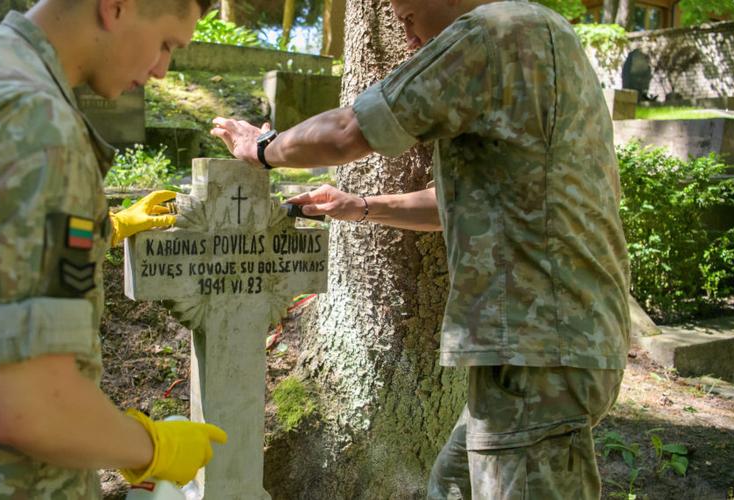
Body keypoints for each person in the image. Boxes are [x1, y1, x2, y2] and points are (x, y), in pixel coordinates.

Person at [210, 0, 630, 498]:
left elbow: (348, 132)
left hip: (536, 353)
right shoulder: (543, 32)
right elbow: (468, 204)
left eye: (407, 18)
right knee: (451, 486)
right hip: (554, 342)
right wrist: (360, 205)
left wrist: (263, 149)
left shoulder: (487, 33)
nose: (407, 39)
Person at [0, 0, 227, 497]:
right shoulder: (36, 126)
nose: (163, 69)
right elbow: (32, 408)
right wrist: (152, 447)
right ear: (116, 6)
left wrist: (108, 227)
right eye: (165, 43)